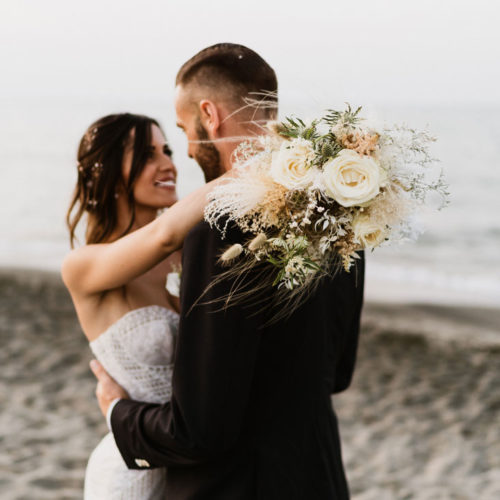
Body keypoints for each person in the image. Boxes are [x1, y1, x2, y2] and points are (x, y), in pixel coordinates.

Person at [92, 43, 365, 499]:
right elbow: (338, 373)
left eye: (184, 130)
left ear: (209, 115)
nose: (189, 151)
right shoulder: (338, 204)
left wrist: (119, 411)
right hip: (320, 479)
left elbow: (200, 432)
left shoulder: (221, 226)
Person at [62, 113, 229, 498]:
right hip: (132, 471)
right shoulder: (83, 266)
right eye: (147, 154)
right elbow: (163, 234)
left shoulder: (192, 252)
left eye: (167, 150)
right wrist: (248, 175)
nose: (168, 163)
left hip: (201, 467)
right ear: (106, 171)